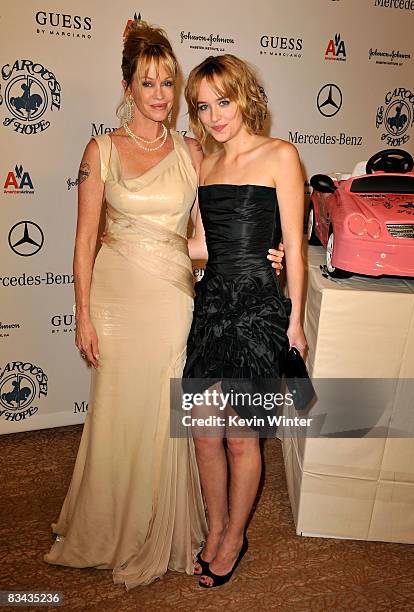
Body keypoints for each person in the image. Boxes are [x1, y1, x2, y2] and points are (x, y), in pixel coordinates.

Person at [44, 22, 285, 588]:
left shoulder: (193, 151)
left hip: (175, 297)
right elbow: (83, 239)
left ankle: (166, 521)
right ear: (128, 87)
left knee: (173, 417)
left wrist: (261, 253)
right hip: (116, 296)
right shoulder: (99, 149)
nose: (160, 95)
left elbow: (210, 233)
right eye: (148, 83)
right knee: (118, 411)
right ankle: (110, 522)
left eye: (168, 83)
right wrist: (82, 312)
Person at [182, 54, 307, 588]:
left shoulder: (281, 155)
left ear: (244, 95)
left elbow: (295, 250)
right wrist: (131, 238)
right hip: (211, 308)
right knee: (203, 435)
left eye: (223, 102)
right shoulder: (204, 165)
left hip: (257, 309)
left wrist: (295, 320)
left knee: (241, 438)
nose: (214, 116)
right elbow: (201, 248)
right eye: (203, 107)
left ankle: (235, 536)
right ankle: (215, 526)